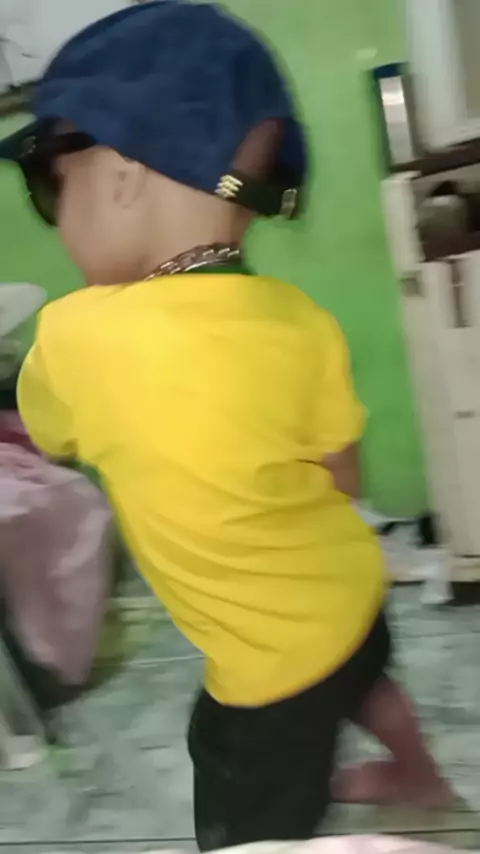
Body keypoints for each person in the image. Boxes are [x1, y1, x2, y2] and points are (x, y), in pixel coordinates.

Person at [0, 2, 452, 849]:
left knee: (240, 789)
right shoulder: (301, 320)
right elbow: (343, 473)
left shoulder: (71, 337)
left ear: (120, 177)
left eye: (50, 189)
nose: (58, 220)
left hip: (264, 663)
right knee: (364, 680)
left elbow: (51, 436)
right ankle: (419, 775)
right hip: (349, 586)